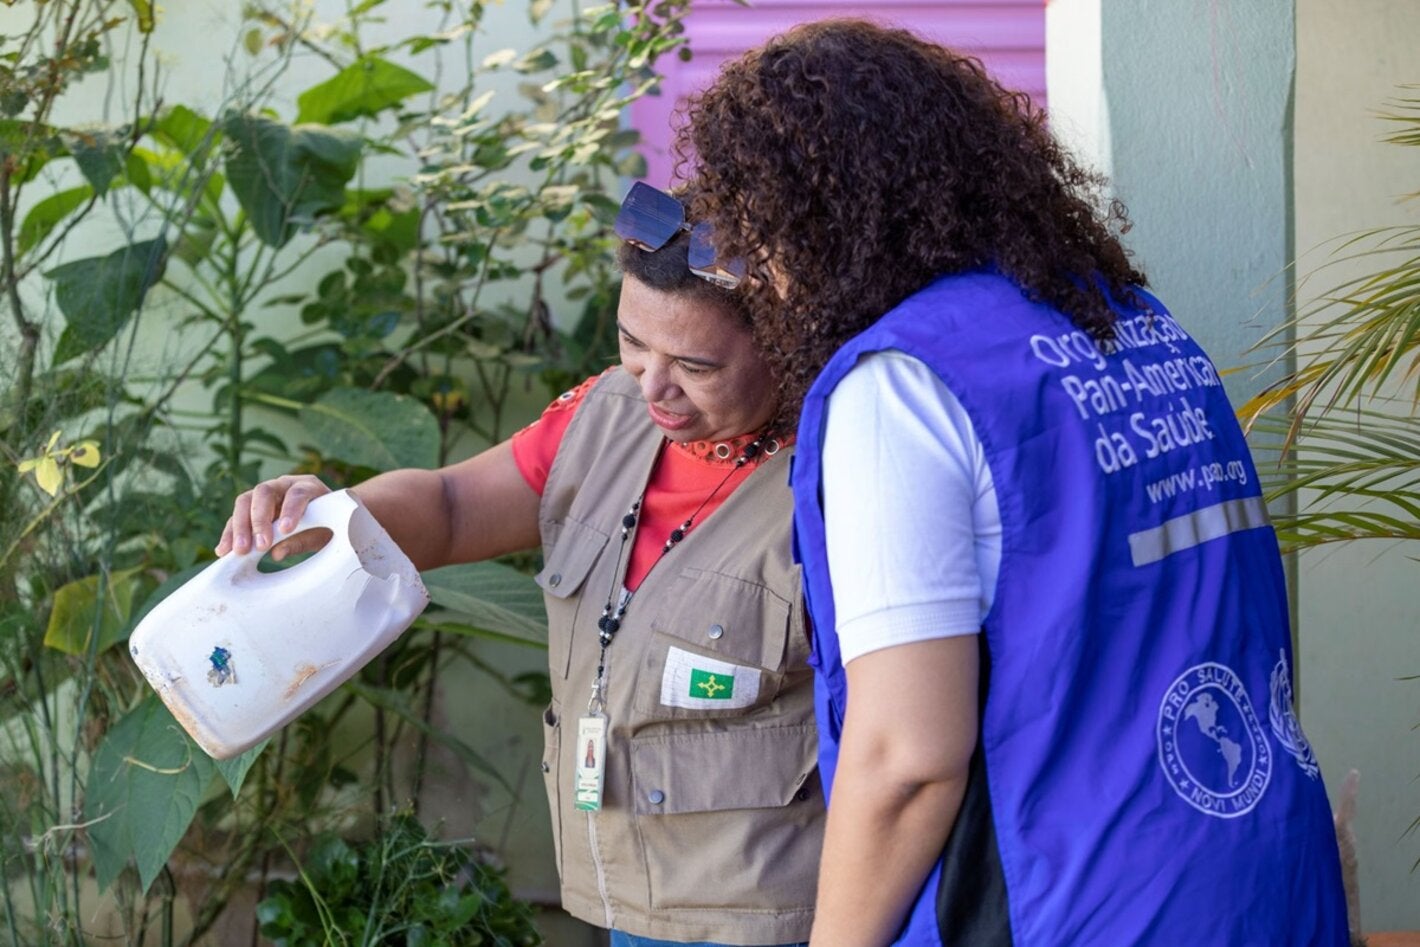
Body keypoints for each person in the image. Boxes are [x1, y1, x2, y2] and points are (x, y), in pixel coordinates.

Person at [679, 19, 1350, 946]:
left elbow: (908, 758)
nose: (755, 273)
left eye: (746, 228)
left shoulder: (905, 387)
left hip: (1072, 904)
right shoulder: (1127, 322)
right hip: (1257, 874)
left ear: (811, 218)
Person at [217, 185, 821, 947]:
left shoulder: (831, 472)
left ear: (786, 341)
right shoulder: (606, 414)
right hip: (629, 898)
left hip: (776, 914)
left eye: (695, 365)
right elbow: (451, 506)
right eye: (632, 342)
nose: (652, 386)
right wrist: (329, 514)